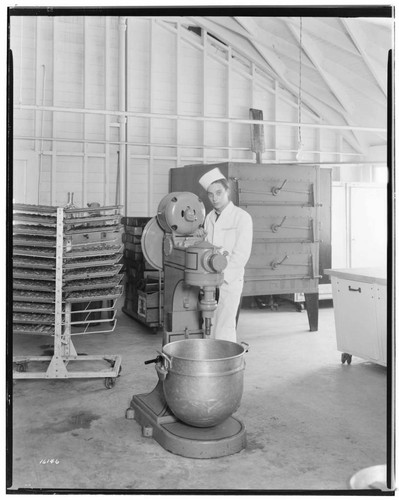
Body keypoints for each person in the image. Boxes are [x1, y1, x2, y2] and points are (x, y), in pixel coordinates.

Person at [198, 167, 253, 343]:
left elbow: (241, 254)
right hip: (209, 279)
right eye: (210, 194)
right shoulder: (209, 218)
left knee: (225, 325)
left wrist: (225, 276)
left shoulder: (242, 217)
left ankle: (225, 362)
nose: (215, 198)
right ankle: (209, 357)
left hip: (229, 279)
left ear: (227, 191)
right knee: (208, 323)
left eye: (219, 192)